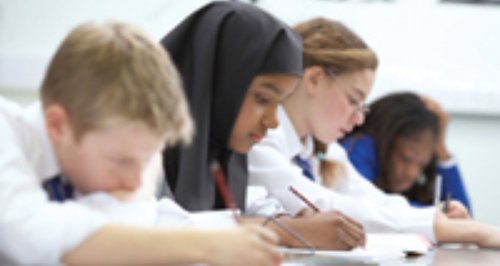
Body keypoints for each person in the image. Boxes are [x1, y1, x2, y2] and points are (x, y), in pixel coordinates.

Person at [0, 21, 281, 266]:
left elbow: (147, 218)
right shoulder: (6, 132)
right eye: (122, 161)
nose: (135, 181)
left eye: (146, 160)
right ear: (57, 125)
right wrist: (205, 246)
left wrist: (238, 239)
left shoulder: (103, 157)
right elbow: (28, 235)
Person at [248, 17, 500, 248]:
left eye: (363, 107)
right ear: (314, 79)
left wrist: (436, 217)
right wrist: (451, 229)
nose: (358, 119)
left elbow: (372, 200)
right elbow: (325, 205)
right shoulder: (259, 138)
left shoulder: (323, 149)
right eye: (353, 100)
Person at [161, 1, 365, 250]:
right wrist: (281, 230)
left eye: (280, 103)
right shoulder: (140, 142)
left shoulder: (224, 149)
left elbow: (250, 203)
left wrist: (286, 219)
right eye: (262, 99)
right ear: (220, 83)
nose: (272, 121)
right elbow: (141, 225)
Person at [340, 92, 472, 213]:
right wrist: (435, 215)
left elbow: (463, 218)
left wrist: (440, 149)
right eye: (406, 159)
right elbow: (364, 209)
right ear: (384, 141)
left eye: (422, 165)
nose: (413, 173)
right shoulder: (360, 146)